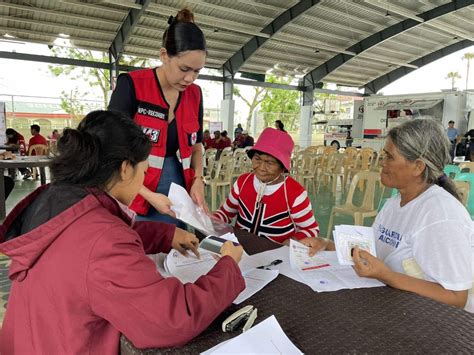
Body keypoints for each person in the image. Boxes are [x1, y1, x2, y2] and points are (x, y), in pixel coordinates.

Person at [0, 110, 245, 354]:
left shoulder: (58, 201)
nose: (143, 182)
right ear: (126, 169)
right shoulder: (102, 240)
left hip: (29, 340)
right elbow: (171, 319)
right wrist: (227, 267)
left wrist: (166, 235)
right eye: (145, 172)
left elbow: (89, 245)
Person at [347, 119, 472, 312]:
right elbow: (374, 250)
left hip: (433, 322)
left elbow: (456, 298)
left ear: (418, 167)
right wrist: (328, 246)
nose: (382, 162)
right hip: (397, 306)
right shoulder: (395, 202)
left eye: (389, 157)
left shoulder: (441, 217)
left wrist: (388, 276)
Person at [108, 8, 207, 225]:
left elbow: (197, 144)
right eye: (184, 69)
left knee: (174, 245)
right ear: (164, 55)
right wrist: (148, 195)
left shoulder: (195, 94)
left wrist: (199, 179)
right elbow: (109, 150)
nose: (190, 78)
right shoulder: (132, 86)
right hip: (131, 188)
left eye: (197, 71)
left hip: (176, 192)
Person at [214, 127, 322, 255]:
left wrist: (292, 241)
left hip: (276, 256)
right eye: (257, 159)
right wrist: (212, 220)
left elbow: (311, 229)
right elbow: (226, 212)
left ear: (283, 167)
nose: (261, 167)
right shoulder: (243, 182)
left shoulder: (295, 193)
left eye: (269, 162)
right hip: (239, 252)